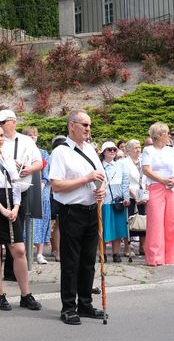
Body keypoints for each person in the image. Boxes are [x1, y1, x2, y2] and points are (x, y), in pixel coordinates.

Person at [0, 123, 42, 312]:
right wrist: (2, 209)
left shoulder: (8, 157)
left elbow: (16, 183)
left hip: (12, 203)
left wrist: (16, 206)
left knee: (19, 250)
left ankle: (25, 294)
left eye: (1, 135)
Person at [49, 109, 107, 325]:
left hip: (92, 210)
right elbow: (56, 185)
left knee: (88, 261)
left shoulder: (91, 150)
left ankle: (85, 304)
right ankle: (68, 308)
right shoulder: (60, 152)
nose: (88, 129)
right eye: (84, 124)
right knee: (71, 261)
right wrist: (86, 179)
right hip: (72, 212)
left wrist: (102, 188)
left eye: (89, 125)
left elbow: (101, 176)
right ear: (71, 125)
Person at [0, 110, 43, 279]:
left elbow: (39, 162)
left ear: (13, 122)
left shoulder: (26, 141)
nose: (0, 125)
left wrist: (28, 169)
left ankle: (11, 271)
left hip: (21, 189)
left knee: (17, 230)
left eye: (3, 122)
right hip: (1, 189)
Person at [141, 122, 174, 266]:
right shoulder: (148, 151)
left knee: (172, 221)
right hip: (156, 187)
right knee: (156, 222)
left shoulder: (170, 151)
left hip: (171, 187)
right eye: (167, 133)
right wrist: (162, 180)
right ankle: (155, 257)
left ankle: (172, 256)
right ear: (159, 135)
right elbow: (146, 170)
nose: (169, 136)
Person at [23, 126, 52, 264]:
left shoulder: (43, 153)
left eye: (34, 135)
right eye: (29, 135)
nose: (32, 137)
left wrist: (39, 188)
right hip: (25, 190)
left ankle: (40, 253)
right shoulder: (22, 152)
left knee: (41, 220)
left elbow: (46, 175)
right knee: (25, 221)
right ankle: (24, 251)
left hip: (41, 191)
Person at [99, 141, 129, 263]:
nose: (112, 152)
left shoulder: (121, 165)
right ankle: (103, 253)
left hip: (118, 201)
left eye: (114, 150)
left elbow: (125, 182)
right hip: (104, 202)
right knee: (103, 228)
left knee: (118, 228)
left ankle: (116, 253)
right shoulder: (99, 166)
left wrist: (126, 197)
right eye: (109, 149)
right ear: (104, 152)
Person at [121, 139, 147, 256]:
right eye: (135, 147)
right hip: (130, 196)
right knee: (128, 221)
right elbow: (124, 181)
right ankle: (127, 248)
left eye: (139, 146)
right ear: (128, 150)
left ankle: (142, 247)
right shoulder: (124, 162)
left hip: (143, 194)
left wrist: (145, 194)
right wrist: (134, 195)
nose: (138, 149)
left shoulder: (143, 161)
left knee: (143, 221)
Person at [49, 135, 67, 262]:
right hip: (56, 194)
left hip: (66, 192)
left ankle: (59, 250)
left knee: (60, 224)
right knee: (58, 223)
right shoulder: (53, 157)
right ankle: (57, 251)